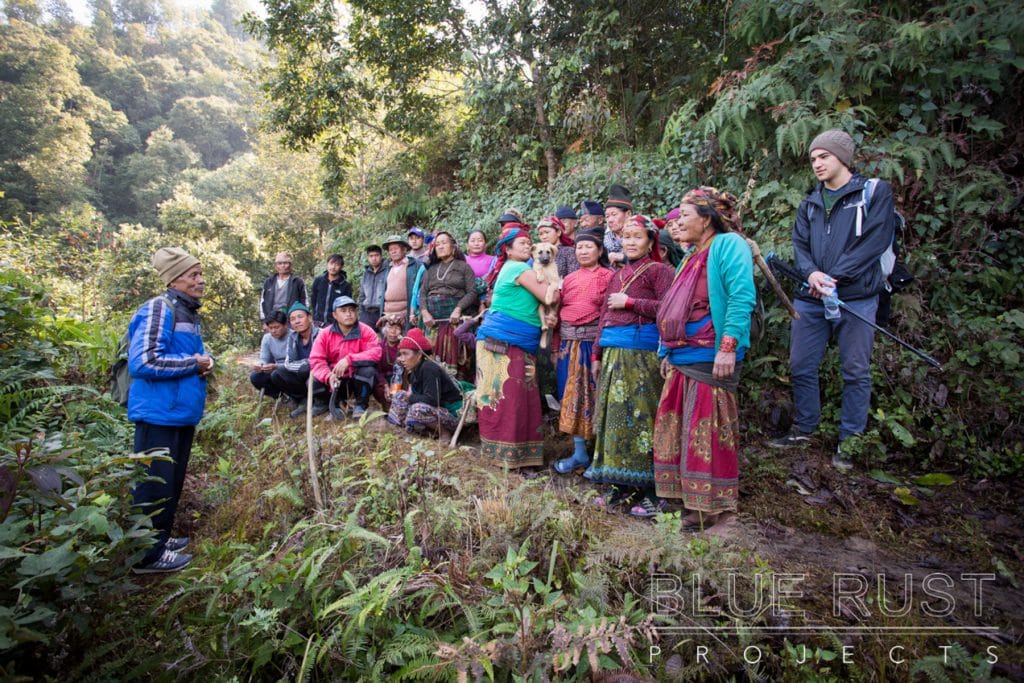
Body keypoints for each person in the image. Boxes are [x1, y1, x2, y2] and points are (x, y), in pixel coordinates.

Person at [770, 129, 896, 470]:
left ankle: (851, 441)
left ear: (843, 157)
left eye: (824, 156)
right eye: (813, 158)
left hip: (856, 298)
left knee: (855, 369)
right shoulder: (811, 202)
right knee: (800, 365)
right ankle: (806, 427)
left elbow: (876, 239)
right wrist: (811, 274)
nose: (817, 163)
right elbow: (800, 244)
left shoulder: (873, 193)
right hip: (811, 298)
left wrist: (835, 276)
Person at [653, 188, 756, 535]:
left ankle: (714, 509)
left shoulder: (728, 246)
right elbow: (676, 307)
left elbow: (742, 296)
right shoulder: (690, 255)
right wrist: (666, 350)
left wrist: (727, 347)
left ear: (708, 217)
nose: (679, 221)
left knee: (706, 431)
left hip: (710, 356)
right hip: (682, 356)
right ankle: (689, 502)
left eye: (685, 215)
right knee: (678, 428)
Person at [127, 247, 213, 573]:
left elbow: (188, 357)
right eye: (194, 275)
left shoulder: (187, 312)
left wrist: (203, 363)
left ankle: (159, 539)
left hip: (179, 413)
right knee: (153, 484)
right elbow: (144, 361)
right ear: (174, 279)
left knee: (170, 482)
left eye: (200, 273)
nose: (200, 280)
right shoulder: (158, 309)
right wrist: (194, 363)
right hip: (157, 414)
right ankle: (146, 556)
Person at [588, 216, 674, 516]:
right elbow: (603, 316)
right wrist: (597, 354)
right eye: (626, 237)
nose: (630, 242)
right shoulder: (618, 274)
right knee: (613, 420)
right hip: (613, 354)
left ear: (651, 241)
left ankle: (652, 491)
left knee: (643, 419)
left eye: (637, 237)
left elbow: (668, 309)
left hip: (643, 357)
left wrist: (630, 304)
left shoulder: (660, 271)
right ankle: (619, 486)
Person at [476, 225, 560, 470]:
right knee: (507, 399)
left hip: (514, 342)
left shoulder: (520, 268)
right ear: (508, 250)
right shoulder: (517, 268)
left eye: (528, 242)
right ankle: (508, 458)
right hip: (502, 342)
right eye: (521, 243)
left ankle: (516, 456)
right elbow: (549, 297)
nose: (527, 245)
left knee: (516, 399)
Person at [552, 232, 614, 474]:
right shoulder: (568, 279)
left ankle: (600, 456)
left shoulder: (609, 276)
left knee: (595, 397)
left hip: (592, 346)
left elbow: (608, 316)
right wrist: (556, 346)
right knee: (571, 398)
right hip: (567, 345)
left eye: (589, 247)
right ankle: (579, 453)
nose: (583, 251)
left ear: (600, 251)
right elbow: (556, 313)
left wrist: (598, 350)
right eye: (579, 247)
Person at [418, 231, 478, 381]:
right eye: (437, 244)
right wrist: (424, 312)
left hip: (454, 319)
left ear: (453, 247)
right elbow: (422, 294)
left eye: (444, 243)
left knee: (457, 357)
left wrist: (458, 309)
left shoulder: (464, 267)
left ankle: (458, 392)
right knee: (431, 356)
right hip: (432, 322)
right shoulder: (430, 270)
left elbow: (472, 292)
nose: (440, 246)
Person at [309, 295, 382, 419]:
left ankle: (361, 405)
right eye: (343, 311)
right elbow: (316, 360)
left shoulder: (366, 331)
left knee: (369, 371)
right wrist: (328, 376)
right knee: (313, 379)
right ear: (335, 315)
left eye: (352, 310)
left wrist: (350, 359)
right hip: (335, 380)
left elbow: (376, 352)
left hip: (356, 378)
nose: (349, 314)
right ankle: (331, 404)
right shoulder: (325, 334)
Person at [386, 328, 464, 438]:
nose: (402, 359)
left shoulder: (429, 368)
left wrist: (411, 397)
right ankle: (401, 429)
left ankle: (444, 433)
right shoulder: (415, 370)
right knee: (399, 395)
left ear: (419, 355)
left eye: (405, 354)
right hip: (436, 411)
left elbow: (432, 400)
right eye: (401, 354)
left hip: (451, 414)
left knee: (417, 409)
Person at [271, 302, 327, 417]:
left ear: (310, 318)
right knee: (277, 374)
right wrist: (305, 364)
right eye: (292, 319)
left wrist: (308, 364)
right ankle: (303, 400)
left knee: (309, 372)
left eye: (300, 317)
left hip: (321, 372)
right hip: (302, 372)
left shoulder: (321, 334)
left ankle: (322, 402)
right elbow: (288, 363)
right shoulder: (293, 337)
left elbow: (324, 359)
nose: (297, 321)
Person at [375, 234, 426, 329]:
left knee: (406, 342)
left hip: (405, 315)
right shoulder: (387, 267)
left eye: (396, 248)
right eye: (390, 250)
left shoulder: (414, 265)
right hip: (387, 315)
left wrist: (415, 312)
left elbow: (421, 289)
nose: (393, 251)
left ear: (404, 249)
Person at [250, 310, 290, 397]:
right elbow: (264, 358)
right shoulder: (267, 338)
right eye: (271, 328)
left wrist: (277, 366)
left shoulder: (294, 336)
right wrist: (261, 365)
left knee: (278, 374)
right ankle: (280, 396)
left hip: (290, 369)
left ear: (285, 325)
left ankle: (294, 395)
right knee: (255, 377)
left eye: (276, 327)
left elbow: (295, 363)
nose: (273, 331)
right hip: (274, 369)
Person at [259, 251, 307, 321]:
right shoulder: (269, 282)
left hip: (291, 319)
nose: (282, 266)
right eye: (279, 263)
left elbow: (304, 301)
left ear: (290, 265)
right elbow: (262, 302)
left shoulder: (297, 282)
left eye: (285, 263)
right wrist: (264, 320)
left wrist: (302, 318)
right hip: (272, 320)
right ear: (276, 266)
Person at [311, 254, 353, 327]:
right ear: (327, 264)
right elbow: (313, 300)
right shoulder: (318, 281)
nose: (333, 267)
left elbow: (347, 306)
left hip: (335, 324)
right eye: (331, 263)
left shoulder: (345, 285)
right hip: (317, 322)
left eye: (337, 265)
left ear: (341, 267)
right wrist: (315, 315)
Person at [373, 314, 405, 411]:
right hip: (384, 379)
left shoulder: (404, 346)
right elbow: (377, 370)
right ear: (384, 330)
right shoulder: (379, 346)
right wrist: (386, 385)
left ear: (401, 331)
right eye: (390, 327)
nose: (393, 331)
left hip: (402, 379)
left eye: (397, 328)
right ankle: (387, 409)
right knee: (380, 390)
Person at [603, 186, 633, 267]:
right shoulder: (602, 237)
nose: (610, 220)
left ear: (628, 214)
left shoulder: (640, 235)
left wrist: (623, 258)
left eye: (614, 214)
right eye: (607, 216)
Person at [358, 245, 386, 327]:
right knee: (365, 338)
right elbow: (362, 295)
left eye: (376, 255)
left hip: (381, 312)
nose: (374, 258)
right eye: (371, 256)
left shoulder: (387, 270)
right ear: (368, 257)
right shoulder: (366, 273)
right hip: (366, 312)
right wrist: (361, 312)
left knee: (383, 338)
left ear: (381, 256)